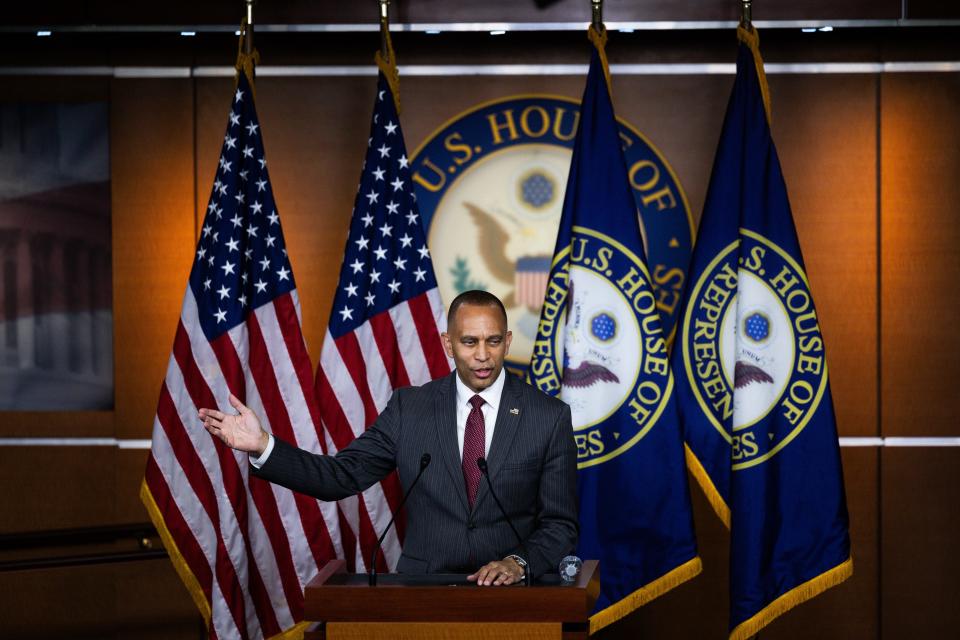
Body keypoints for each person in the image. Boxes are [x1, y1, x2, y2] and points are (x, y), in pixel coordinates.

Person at [199, 290, 577, 586]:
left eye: (493, 341)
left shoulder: (548, 417)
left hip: (513, 597)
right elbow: (339, 477)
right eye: (469, 342)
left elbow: (560, 524)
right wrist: (264, 445)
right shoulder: (409, 409)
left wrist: (519, 562)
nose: (482, 355)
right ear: (448, 344)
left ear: (508, 341)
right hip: (421, 591)